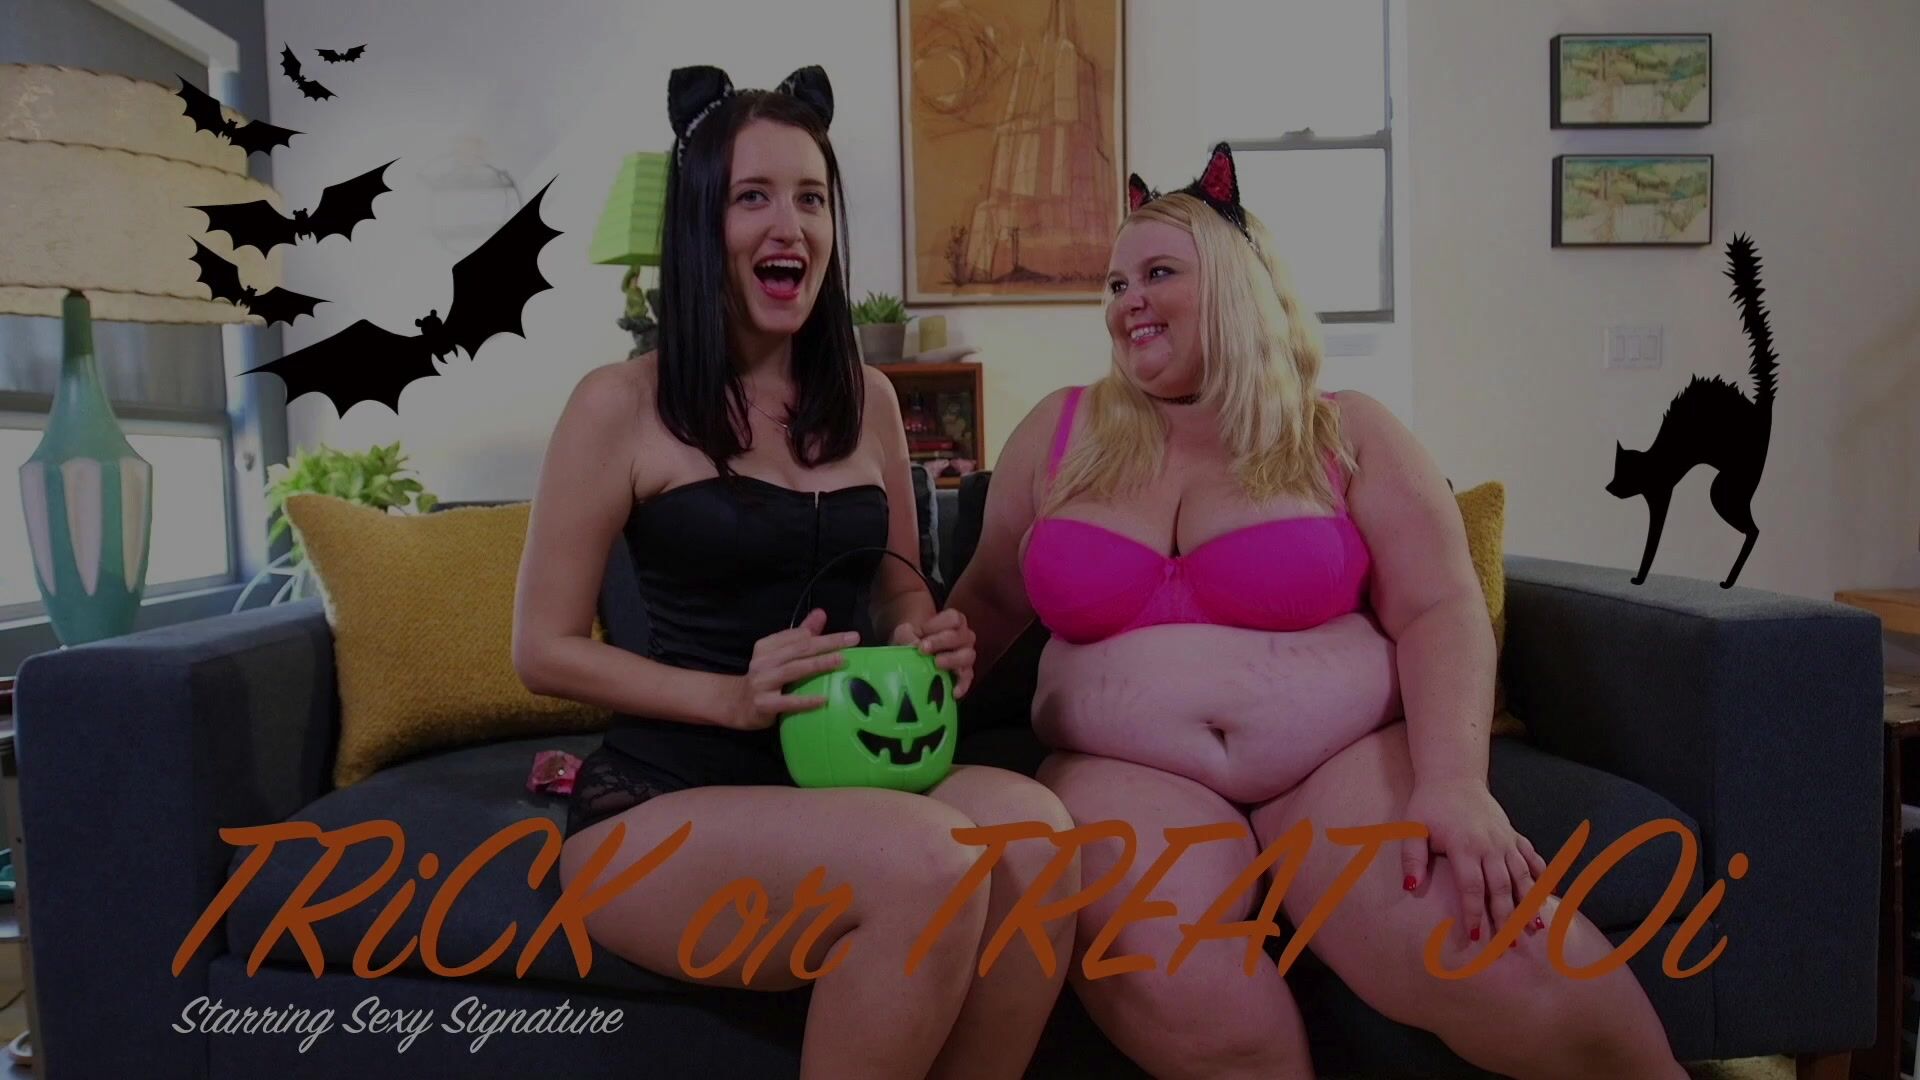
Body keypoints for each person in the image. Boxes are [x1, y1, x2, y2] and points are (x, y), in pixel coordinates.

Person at [945, 143, 1688, 1080]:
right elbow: (987, 599)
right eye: (1116, 282)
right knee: (1181, 991)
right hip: (1124, 775)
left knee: (1514, 958)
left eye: (1160, 272)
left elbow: (1439, 607)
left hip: (1339, 766)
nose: (1128, 299)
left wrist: (1454, 783)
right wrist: (922, 670)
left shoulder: (1345, 429)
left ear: (1240, 282)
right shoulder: (1059, 432)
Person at [512, 64, 1076, 1080]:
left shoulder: (864, 396)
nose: (791, 226)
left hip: (846, 774)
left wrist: (924, 632)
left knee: (1035, 837)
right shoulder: (618, 404)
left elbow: (897, 582)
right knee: (930, 858)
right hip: (664, 798)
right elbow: (542, 650)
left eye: (811, 198)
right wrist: (729, 698)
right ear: (701, 225)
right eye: (753, 197)